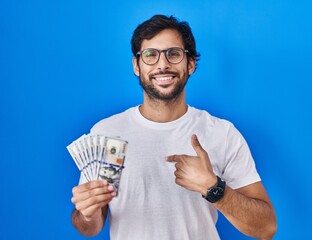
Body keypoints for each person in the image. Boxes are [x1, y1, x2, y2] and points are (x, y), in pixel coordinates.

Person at [71, 14, 277, 240]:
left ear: (190, 64)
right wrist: (87, 214)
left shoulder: (222, 133)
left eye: (174, 54)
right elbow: (89, 228)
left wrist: (214, 189)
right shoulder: (107, 134)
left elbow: (266, 227)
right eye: (150, 55)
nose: (162, 64)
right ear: (137, 66)